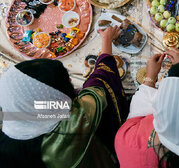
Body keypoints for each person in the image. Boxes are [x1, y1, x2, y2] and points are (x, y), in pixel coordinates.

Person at [0, 26, 129, 168]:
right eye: (67, 80)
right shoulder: (72, 125)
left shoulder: (16, 117)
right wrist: (106, 40)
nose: (71, 82)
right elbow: (98, 85)